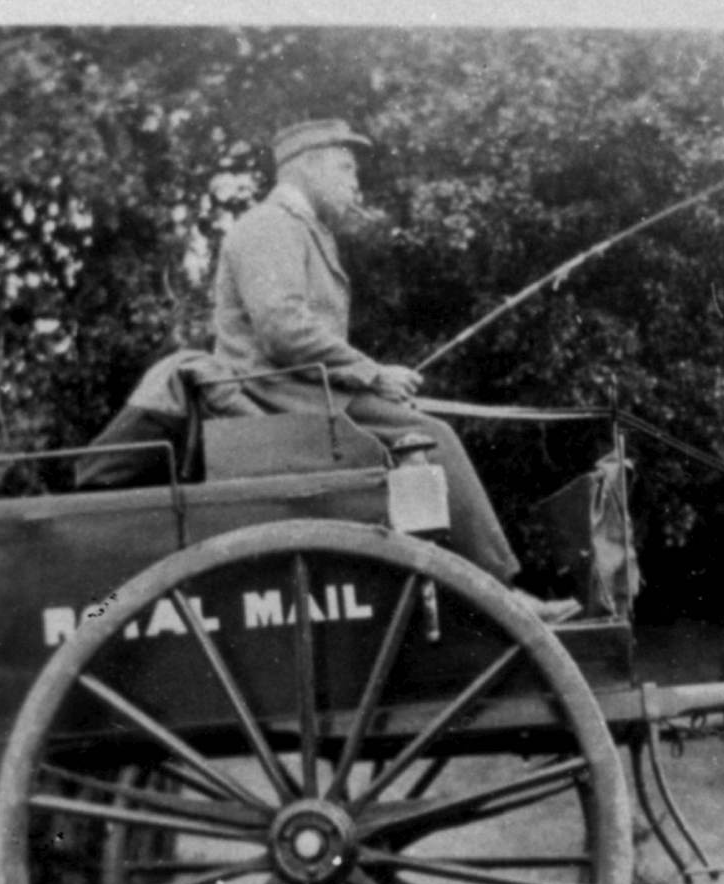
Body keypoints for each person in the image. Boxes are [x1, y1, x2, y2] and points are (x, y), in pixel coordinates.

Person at [212, 118, 576, 619]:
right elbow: (283, 330)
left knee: (419, 437)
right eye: (345, 169)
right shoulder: (269, 227)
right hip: (277, 401)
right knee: (433, 438)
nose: (354, 183)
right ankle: (498, 594)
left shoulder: (301, 231)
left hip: (304, 394)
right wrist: (372, 373)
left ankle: (452, 596)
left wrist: (370, 379)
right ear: (309, 167)